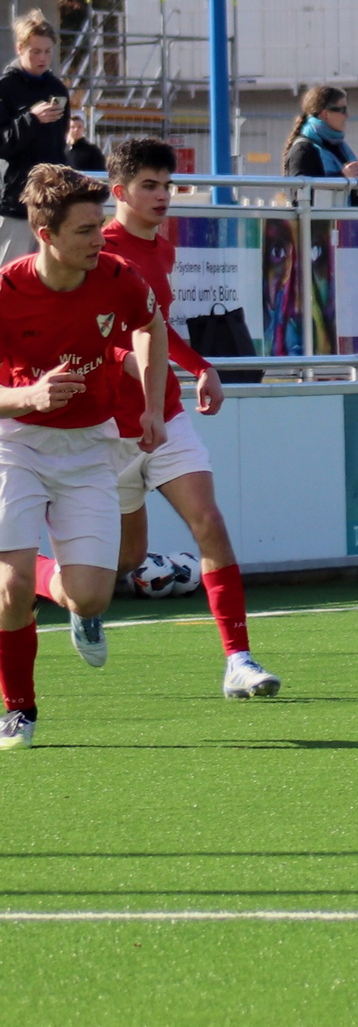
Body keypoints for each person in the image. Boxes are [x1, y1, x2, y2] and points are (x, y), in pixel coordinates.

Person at [93, 138, 281, 696]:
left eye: (167, 185)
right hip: (108, 430)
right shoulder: (96, 251)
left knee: (208, 520)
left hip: (167, 416)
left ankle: (239, 660)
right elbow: (86, 336)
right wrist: (128, 363)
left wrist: (201, 367)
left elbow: (157, 327)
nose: (162, 196)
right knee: (126, 558)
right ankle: (76, 600)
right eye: (149, 185)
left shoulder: (164, 250)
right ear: (120, 191)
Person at [0, 165, 168, 749]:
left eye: (99, 225)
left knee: (91, 595)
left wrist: (152, 407)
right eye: (85, 230)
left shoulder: (118, 276)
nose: (100, 238)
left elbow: (150, 325)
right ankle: (19, 709)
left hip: (91, 444)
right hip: (16, 443)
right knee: (11, 588)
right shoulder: (6, 292)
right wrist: (27, 396)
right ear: (44, 234)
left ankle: (57, 588)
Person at [0, 12, 72, 264]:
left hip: (51, 201)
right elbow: (2, 144)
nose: (42, 58)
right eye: (35, 51)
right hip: (16, 201)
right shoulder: (5, 87)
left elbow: (59, 143)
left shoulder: (56, 88)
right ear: (19, 48)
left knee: (48, 273)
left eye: (48, 51)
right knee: (10, 272)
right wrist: (31, 118)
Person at [283, 85, 358, 205]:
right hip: (324, 217)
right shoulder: (303, 149)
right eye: (342, 110)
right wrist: (341, 179)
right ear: (325, 114)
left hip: (348, 216)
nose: (347, 115)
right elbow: (300, 197)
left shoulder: (339, 147)